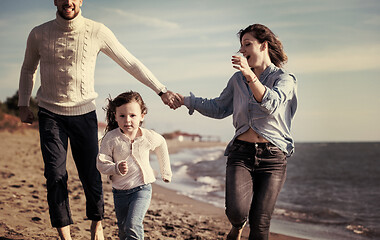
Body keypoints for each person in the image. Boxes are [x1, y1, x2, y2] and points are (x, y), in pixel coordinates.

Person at [17, 0, 180, 239]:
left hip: (83, 113)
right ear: (54, 0)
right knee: (55, 174)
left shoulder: (97, 31)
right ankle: (65, 235)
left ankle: (97, 223)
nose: (68, 2)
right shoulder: (39, 33)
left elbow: (130, 62)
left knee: (91, 174)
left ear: (81, 0)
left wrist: (161, 89)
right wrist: (23, 103)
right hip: (50, 113)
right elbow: (27, 69)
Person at [177, 24, 297, 240]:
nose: (242, 50)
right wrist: (186, 100)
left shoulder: (285, 80)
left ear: (264, 46)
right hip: (241, 153)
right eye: (241, 46)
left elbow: (270, 104)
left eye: (247, 44)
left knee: (260, 223)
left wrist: (249, 74)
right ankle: (237, 225)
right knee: (236, 212)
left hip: (273, 158)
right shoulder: (237, 80)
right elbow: (219, 107)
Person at [96, 91, 172, 240]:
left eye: (132, 115)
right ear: (115, 116)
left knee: (132, 225)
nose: (127, 120)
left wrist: (166, 172)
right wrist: (115, 168)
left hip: (142, 189)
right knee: (123, 230)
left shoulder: (147, 136)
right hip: (119, 193)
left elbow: (161, 144)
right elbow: (101, 163)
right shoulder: (111, 138)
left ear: (142, 115)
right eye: (122, 116)